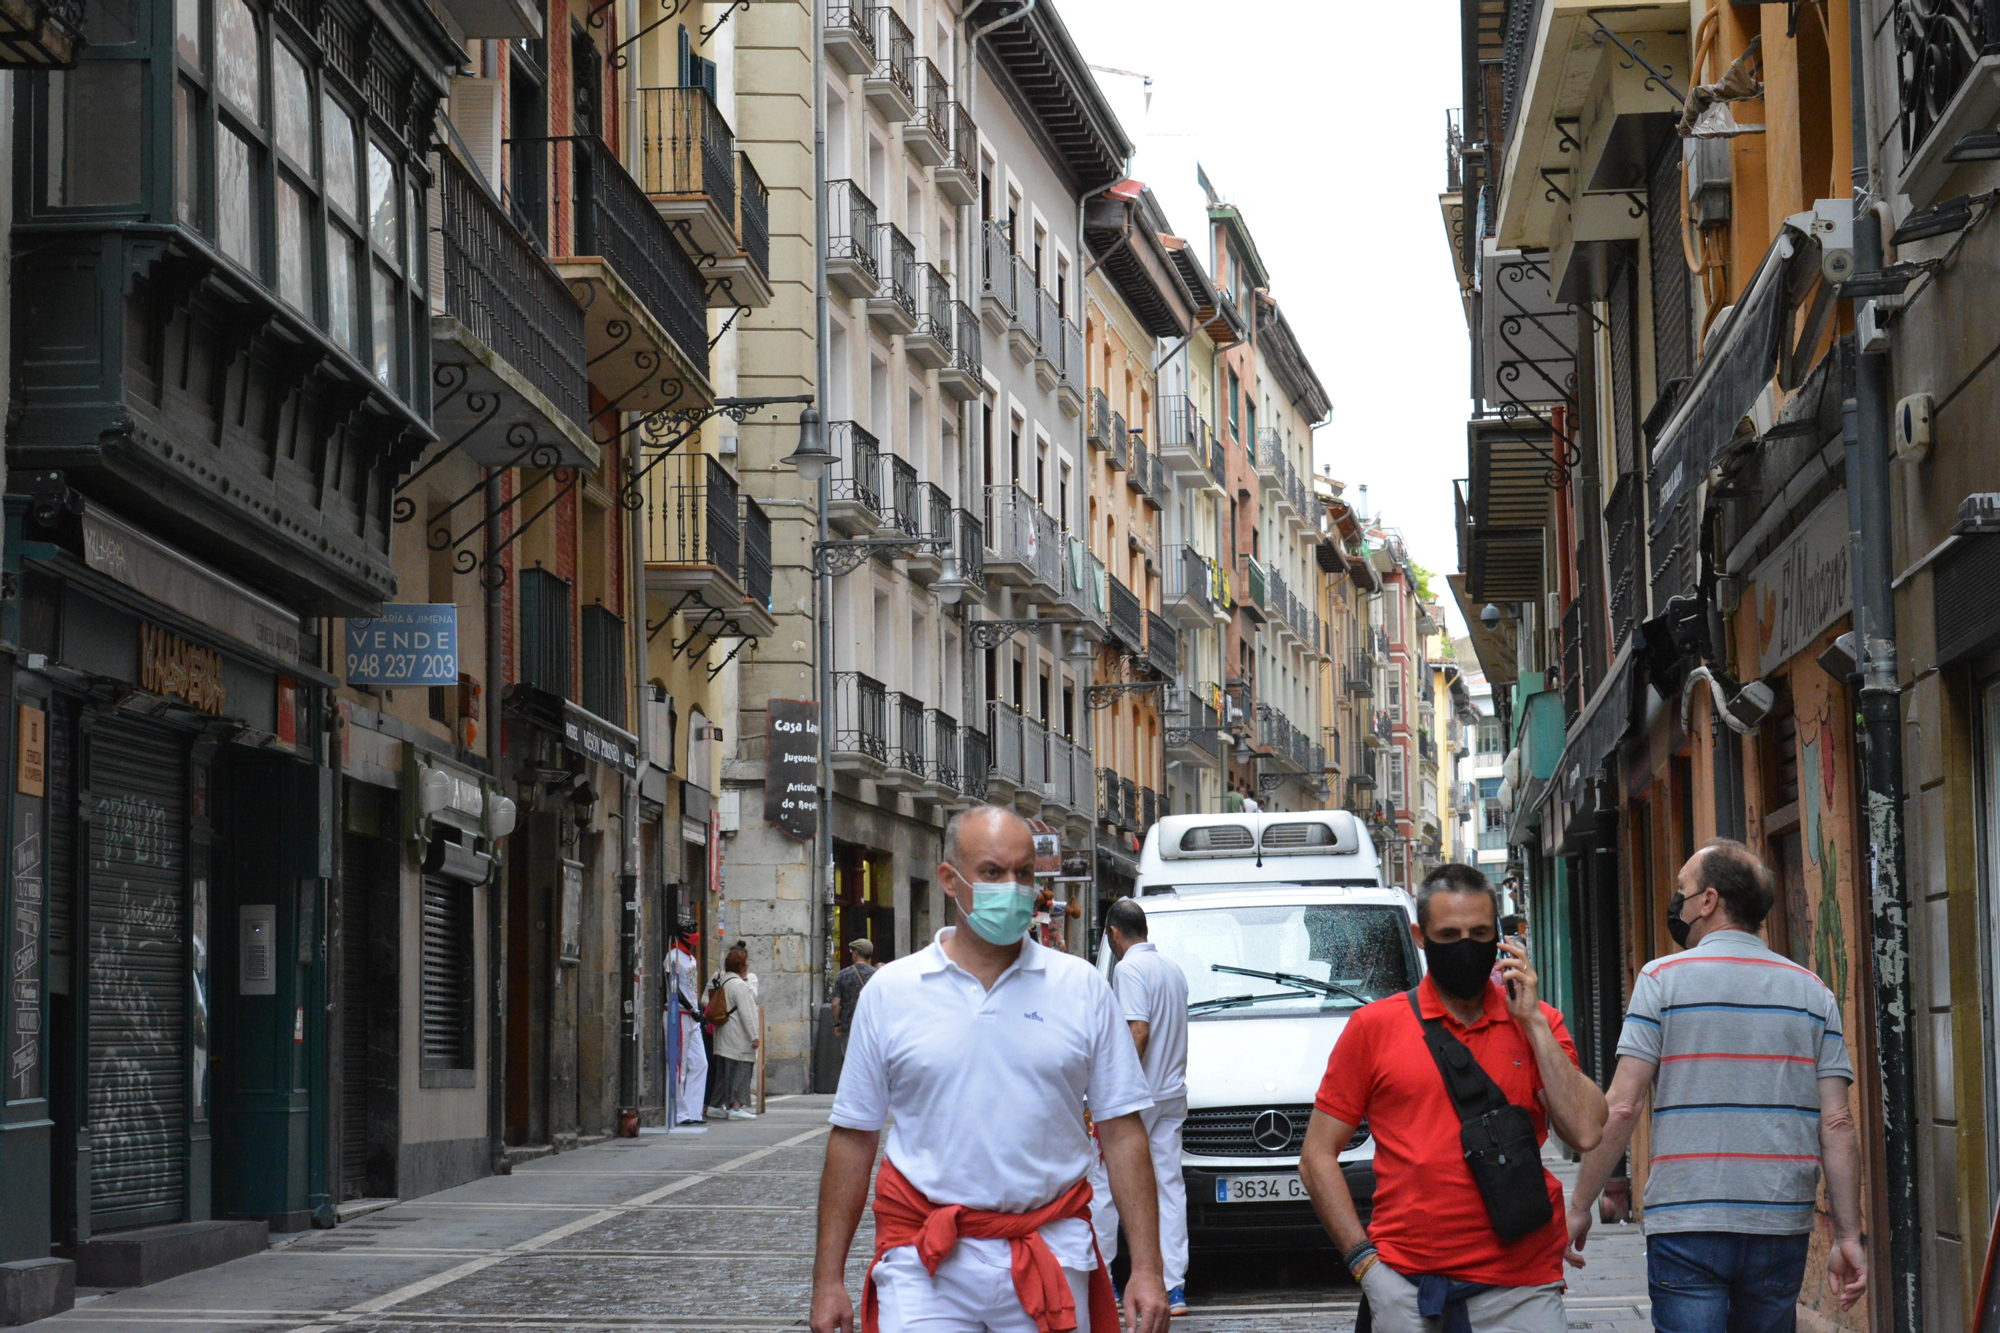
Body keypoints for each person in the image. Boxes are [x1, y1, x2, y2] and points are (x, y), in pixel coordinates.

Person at [810, 804, 1172, 1333]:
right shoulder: (891, 993)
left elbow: (1122, 1134)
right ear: (949, 880)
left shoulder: (1083, 988)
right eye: (992, 872)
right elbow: (853, 1138)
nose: (1013, 887)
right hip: (923, 1262)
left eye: (1024, 873)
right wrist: (827, 1280)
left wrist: (1147, 1269)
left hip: (1050, 1251)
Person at [1564, 840, 1867, 1328]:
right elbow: (1836, 1122)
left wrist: (1579, 1205)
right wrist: (1848, 1237)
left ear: (1707, 902)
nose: (1676, 904)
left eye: (1682, 891)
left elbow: (1622, 1106)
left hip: (1687, 1223)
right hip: (1778, 1219)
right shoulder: (1815, 994)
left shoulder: (1660, 980)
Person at [1297, 863, 1608, 1333]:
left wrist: (1534, 1024)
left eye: (1480, 933)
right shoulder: (1374, 1028)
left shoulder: (1537, 1021)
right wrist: (1367, 1268)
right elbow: (1316, 1155)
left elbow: (1584, 1130)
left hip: (1522, 1289)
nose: (1466, 945)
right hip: (1407, 1288)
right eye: (1450, 934)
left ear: (1500, 938)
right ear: (1422, 937)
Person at [1100, 897, 1191, 1316]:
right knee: (1168, 1188)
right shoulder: (1172, 970)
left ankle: (1103, 1280)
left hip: (1140, 1096)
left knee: (1105, 1184)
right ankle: (1174, 1288)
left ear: (1115, 935)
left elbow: (1137, 1030)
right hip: (1171, 1092)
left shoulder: (1129, 969)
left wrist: (1118, 1085)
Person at [711, 947, 761, 1120]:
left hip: (724, 1034)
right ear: (742, 965)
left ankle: (715, 1105)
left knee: (724, 1074)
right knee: (741, 1069)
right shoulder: (739, 985)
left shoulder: (723, 981)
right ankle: (736, 1107)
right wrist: (754, 1036)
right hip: (738, 1035)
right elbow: (747, 1013)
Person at [668, 921, 707, 1126]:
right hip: (680, 1014)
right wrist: (691, 1008)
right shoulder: (673, 956)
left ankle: (693, 1111)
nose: (695, 935)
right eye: (691, 932)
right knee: (679, 1065)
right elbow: (673, 987)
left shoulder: (690, 958)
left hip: (692, 1015)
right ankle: (679, 1114)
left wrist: (696, 1009)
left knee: (701, 1063)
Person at [831, 938, 877, 1062]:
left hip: (849, 1026)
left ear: (856, 953)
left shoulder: (843, 974)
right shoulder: (877, 974)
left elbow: (835, 1004)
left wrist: (837, 1024)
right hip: (870, 1027)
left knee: (849, 1062)